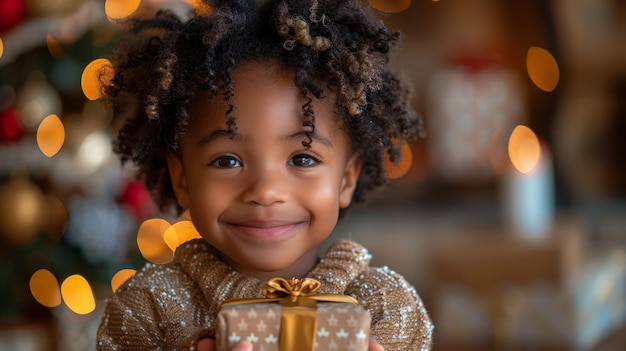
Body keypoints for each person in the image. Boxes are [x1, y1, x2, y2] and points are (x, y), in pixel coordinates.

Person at [96, 0, 433, 350]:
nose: (267, 191)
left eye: (302, 159)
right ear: (182, 179)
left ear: (346, 180)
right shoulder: (146, 308)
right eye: (227, 161)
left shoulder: (387, 309)